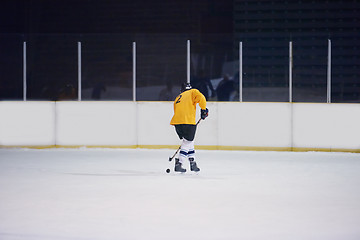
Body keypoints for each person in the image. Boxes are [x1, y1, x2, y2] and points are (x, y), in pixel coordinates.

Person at [170, 82, 209, 172]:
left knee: (188, 141)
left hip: (177, 123)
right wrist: (203, 110)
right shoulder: (192, 92)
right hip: (187, 122)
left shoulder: (177, 98)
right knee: (187, 143)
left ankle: (192, 162)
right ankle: (179, 163)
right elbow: (202, 98)